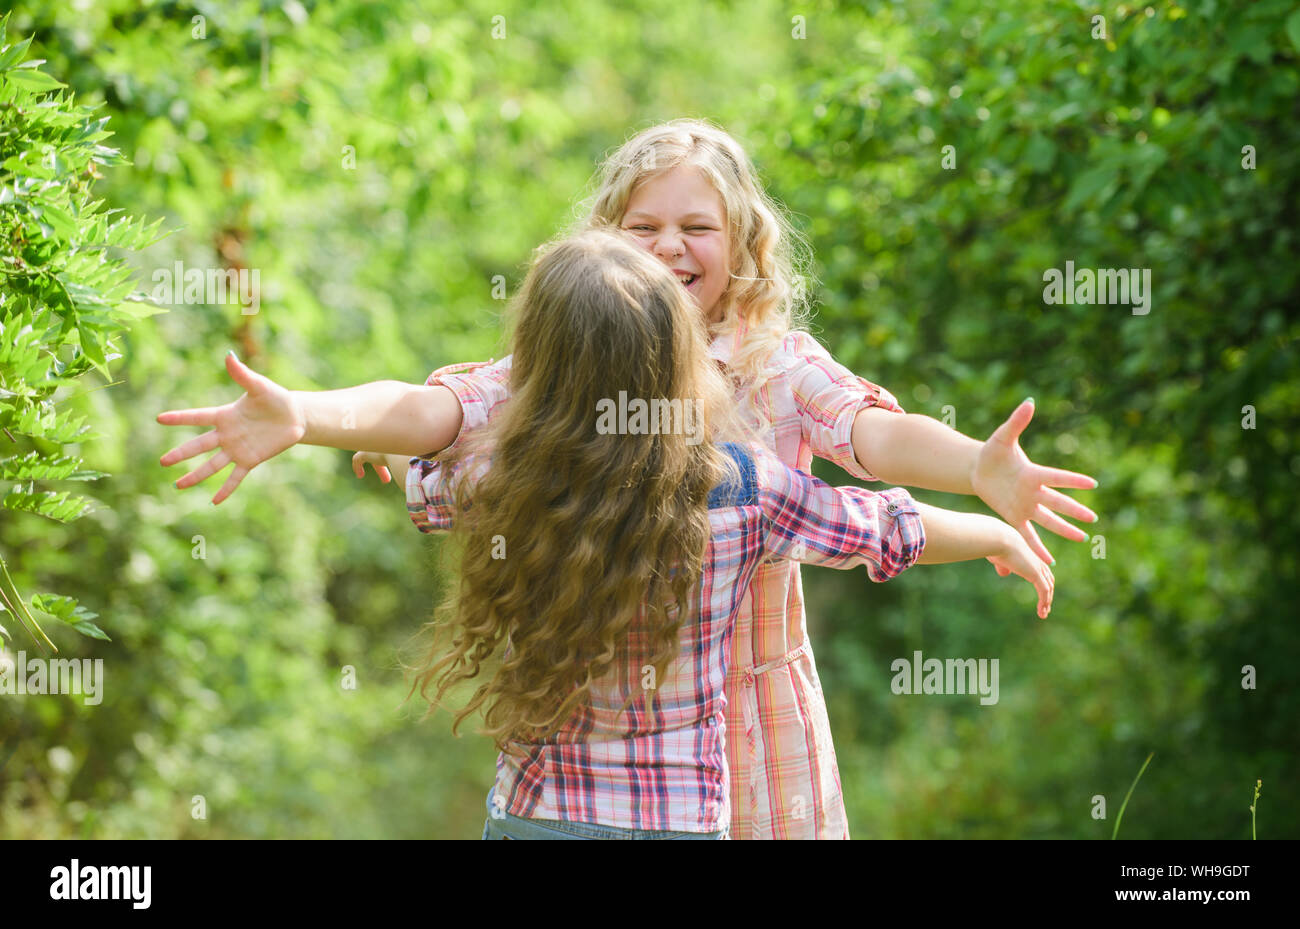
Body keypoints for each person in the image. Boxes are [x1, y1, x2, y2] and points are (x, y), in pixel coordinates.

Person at [162, 226, 1054, 838]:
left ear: (539, 367)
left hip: (537, 813)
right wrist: (991, 534)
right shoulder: (747, 491)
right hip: (675, 819)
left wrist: (327, 428)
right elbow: (882, 526)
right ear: (680, 364)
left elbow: (424, 464)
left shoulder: (502, 482)